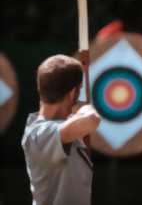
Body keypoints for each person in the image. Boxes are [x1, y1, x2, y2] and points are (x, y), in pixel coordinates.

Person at [21, 54, 101, 205]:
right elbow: (92, 119)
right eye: (78, 90)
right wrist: (85, 107)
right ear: (73, 93)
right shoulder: (39, 133)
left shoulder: (63, 126)